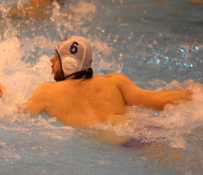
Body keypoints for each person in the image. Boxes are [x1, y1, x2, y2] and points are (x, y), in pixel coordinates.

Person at [23, 36, 192, 126]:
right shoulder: (114, 82)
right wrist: (192, 92)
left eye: (57, 57)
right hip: (132, 139)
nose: (51, 60)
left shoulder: (46, 91)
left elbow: (18, 119)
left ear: (69, 63)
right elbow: (164, 101)